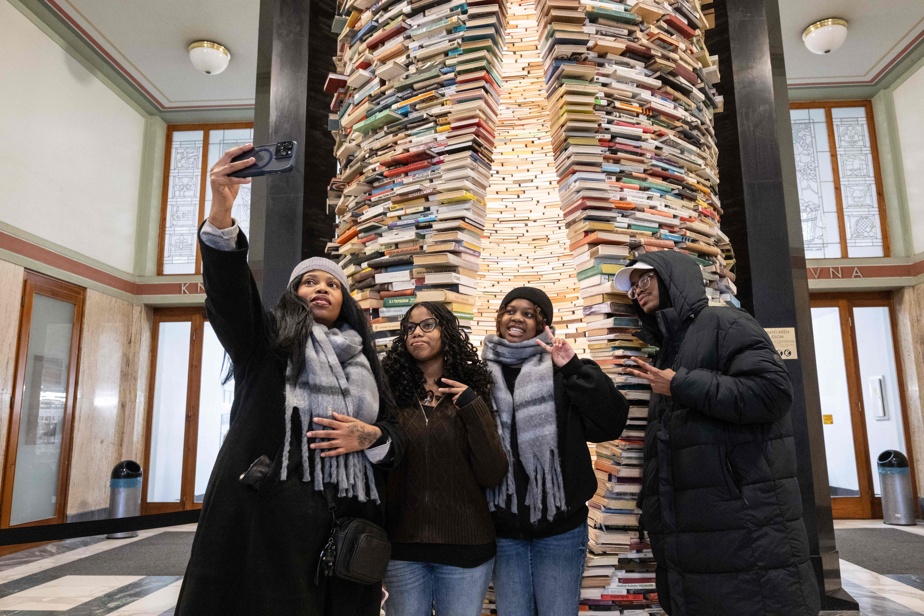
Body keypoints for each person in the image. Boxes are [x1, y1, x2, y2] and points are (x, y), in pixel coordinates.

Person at [175, 144, 404, 616]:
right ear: (294, 295)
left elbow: (396, 439)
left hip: (345, 527)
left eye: (332, 284)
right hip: (267, 524)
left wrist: (369, 436)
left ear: (345, 301)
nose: (321, 288)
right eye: (309, 282)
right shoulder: (266, 343)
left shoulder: (365, 361)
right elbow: (229, 295)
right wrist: (221, 211)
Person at [616, 250, 820, 616]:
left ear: (674, 278)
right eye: (632, 288)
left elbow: (772, 393)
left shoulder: (724, 322)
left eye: (644, 279)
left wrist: (681, 385)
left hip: (743, 522)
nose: (638, 290)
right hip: (700, 529)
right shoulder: (669, 349)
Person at [481, 287, 629, 615]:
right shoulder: (479, 375)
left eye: (528, 313)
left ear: (542, 324)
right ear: (500, 318)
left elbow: (610, 423)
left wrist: (573, 367)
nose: (517, 318)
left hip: (561, 527)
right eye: (510, 310)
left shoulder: (563, 371)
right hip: (503, 528)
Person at [380, 302, 508, 615]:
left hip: (465, 546)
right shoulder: (389, 395)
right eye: (409, 328)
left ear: (446, 333)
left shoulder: (473, 392)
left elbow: (492, 473)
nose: (416, 333)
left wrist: (472, 405)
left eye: (427, 325)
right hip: (401, 547)